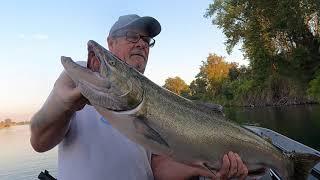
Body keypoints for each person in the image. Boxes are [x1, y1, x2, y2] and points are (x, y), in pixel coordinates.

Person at [30, 14, 248, 180]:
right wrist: (64, 106)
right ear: (110, 42)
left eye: (147, 40)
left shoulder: (155, 96)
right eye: (132, 36)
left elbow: (157, 167)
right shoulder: (81, 73)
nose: (142, 43)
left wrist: (211, 169)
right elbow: (39, 141)